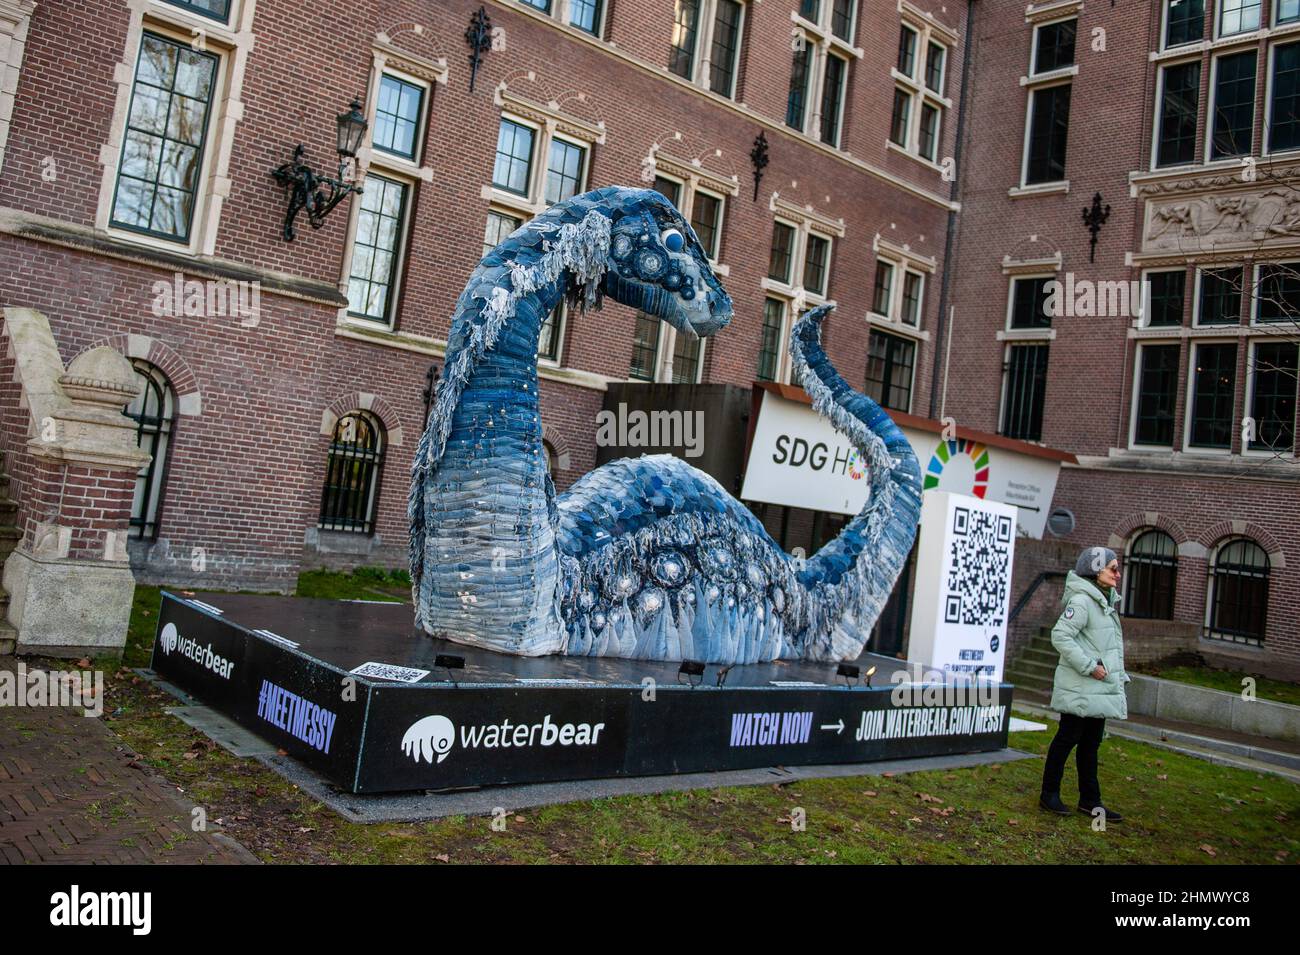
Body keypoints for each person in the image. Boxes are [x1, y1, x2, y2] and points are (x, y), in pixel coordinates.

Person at [1039, 546, 1130, 822]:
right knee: (1067, 739)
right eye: (1112, 568)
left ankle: (1091, 801)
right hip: (1080, 686)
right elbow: (1061, 636)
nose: (1118, 573)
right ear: (1095, 570)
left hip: (1097, 689)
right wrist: (1091, 666)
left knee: (1091, 744)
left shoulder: (1104, 601)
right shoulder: (1082, 601)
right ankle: (1049, 795)